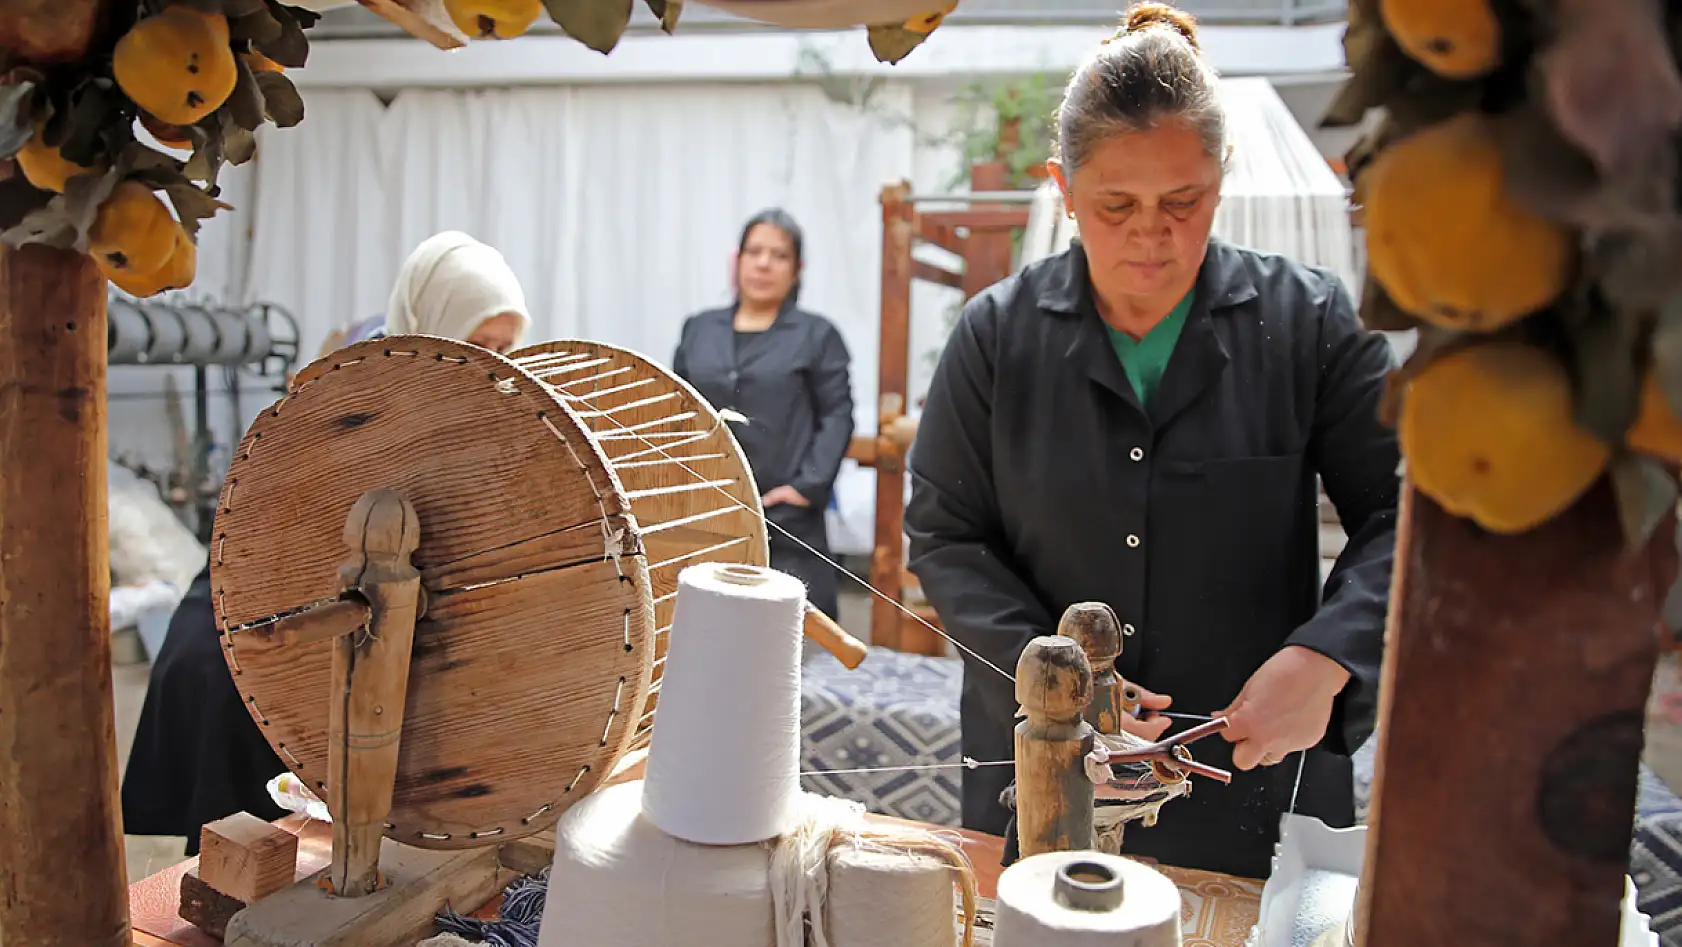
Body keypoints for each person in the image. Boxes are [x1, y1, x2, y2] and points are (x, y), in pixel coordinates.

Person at [903, 2, 1399, 880]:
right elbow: (947, 535)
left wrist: (1329, 658)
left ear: (1223, 173)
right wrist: (1057, 683)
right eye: (1114, 203)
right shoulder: (994, 339)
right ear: (1062, 188)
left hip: (1258, 782)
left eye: (1184, 200)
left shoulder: (1310, 321)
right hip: (1047, 771)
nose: (1150, 235)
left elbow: (1408, 514)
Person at [121, 231, 532, 854]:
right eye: (479, 343)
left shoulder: (479, 404)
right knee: (234, 751)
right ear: (433, 319)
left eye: (506, 347)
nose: (493, 362)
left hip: (349, 600)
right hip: (264, 594)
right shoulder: (351, 391)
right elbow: (280, 517)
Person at [672, 209, 855, 618]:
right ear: (735, 260)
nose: (763, 263)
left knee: (791, 642)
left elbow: (837, 415)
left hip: (787, 517)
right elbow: (677, 409)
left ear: (797, 269)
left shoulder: (817, 335)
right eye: (754, 251)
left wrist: (806, 487)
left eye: (779, 255)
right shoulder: (698, 329)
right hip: (708, 513)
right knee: (704, 633)